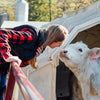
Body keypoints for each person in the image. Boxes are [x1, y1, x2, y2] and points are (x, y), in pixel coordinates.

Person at [0, 24, 68, 100]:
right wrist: (7, 55)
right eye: (59, 44)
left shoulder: (41, 47)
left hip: (2, 68)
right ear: (53, 39)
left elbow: (21, 63)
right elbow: (2, 34)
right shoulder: (32, 35)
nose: (59, 46)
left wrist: (33, 56)